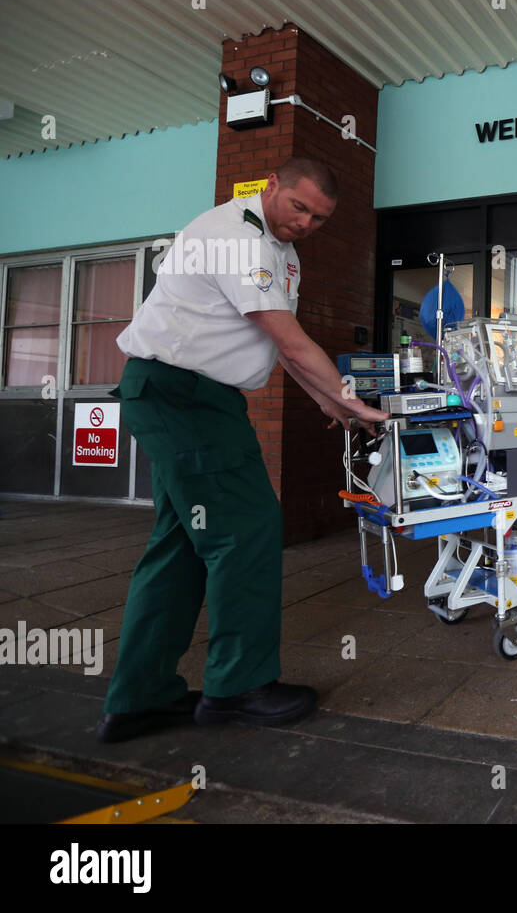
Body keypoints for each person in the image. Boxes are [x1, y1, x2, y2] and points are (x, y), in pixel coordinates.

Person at [97, 158, 388, 743]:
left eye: (320, 218)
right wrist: (355, 403)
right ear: (271, 186)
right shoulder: (236, 238)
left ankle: (140, 698)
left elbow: (274, 344)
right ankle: (238, 688)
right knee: (248, 529)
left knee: (180, 545)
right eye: (298, 206)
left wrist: (328, 403)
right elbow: (288, 337)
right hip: (183, 397)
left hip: (193, 397)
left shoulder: (281, 252)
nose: (306, 222)